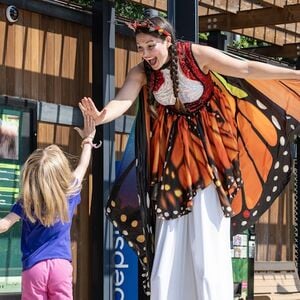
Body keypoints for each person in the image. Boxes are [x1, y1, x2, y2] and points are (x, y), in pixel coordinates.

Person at [79, 16, 300, 300]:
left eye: (150, 46)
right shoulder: (143, 72)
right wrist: (101, 116)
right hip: (173, 160)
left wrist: (294, 75)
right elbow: (124, 99)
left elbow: (244, 68)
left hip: (210, 156)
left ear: (168, 40)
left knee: (207, 239)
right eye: (140, 47)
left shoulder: (194, 55)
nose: (146, 54)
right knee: (169, 237)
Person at [0, 112, 100, 300]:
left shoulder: (27, 201)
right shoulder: (69, 192)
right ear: (61, 171)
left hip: (34, 268)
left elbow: (4, 224)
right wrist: (88, 139)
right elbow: (83, 165)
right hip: (61, 266)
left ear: (31, 176)